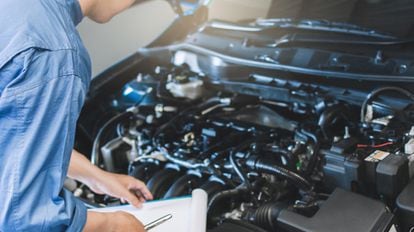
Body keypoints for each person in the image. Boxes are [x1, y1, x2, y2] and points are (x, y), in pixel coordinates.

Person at [0, 0, 154, 231]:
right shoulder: (53, 55)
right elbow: (23, 222)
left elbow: (14, 133)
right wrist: (111, 225)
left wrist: (95, 177)